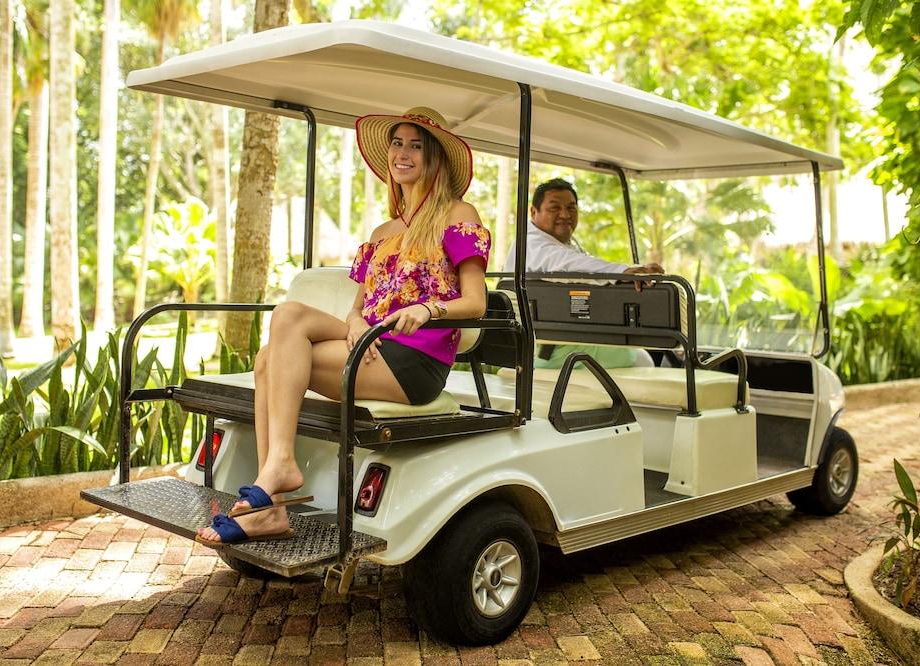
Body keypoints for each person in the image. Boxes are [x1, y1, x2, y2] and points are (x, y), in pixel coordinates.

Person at [197, 107, 490, 546]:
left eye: (416, 145)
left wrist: (429, 309)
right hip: (371, 344)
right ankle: (275, 478)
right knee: (285, 322)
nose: (403, 153)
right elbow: (361, 304)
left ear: (435, 159)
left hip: (414, 359)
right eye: (397, 143)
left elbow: (475, 302)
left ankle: (270, 497)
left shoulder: (457, 213)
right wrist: (354, 322)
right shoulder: (382, 230)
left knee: (268, 364)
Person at [504, 178, 663, 369]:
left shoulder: (560, 244)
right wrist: (625, 272)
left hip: (564, 341)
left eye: (571, 208)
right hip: (550, 351)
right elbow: (569, 264)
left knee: (651, 344)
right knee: (643, 359)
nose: (565, 214)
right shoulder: (531, 244)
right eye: (555, 208)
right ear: (533, 212)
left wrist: (629, 270)